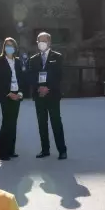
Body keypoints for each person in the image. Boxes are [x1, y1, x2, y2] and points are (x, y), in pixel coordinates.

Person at [29, 32, 67, 160]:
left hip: (53, 94)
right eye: (39, 41)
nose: (42, 43)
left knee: (56, 122)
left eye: (44, 40)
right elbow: (32, 76)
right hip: (39, 95)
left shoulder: (58, 57)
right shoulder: (33, 59)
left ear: (49, 42)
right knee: (42, 123)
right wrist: (39, 87)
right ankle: (45, 149)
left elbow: (59, 75)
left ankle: (62, 150)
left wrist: (48, 87)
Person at [0, 37, 26, 160]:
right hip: (6, 95)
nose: (9, 47)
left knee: (13, 122)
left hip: (17, 94)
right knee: (7, 122)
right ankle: (2, 152)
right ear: (4, 47)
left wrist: (20, 93)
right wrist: (8, 93)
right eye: (7, 45)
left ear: (15, 47)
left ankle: (11, 150)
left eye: (11, 45)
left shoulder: (18, 61)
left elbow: (22, 78)